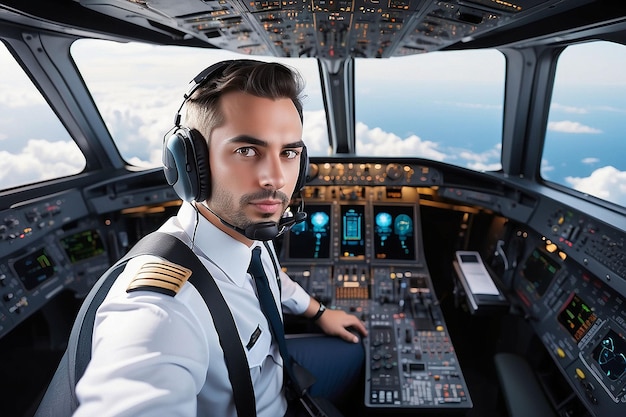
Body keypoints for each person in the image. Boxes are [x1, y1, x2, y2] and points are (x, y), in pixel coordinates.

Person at [73, 59, 367, 417]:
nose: (275, 178)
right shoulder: (160, 312)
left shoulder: (248, 227)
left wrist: (319, 312)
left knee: (358, 350)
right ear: (191, 166)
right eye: (247, 151)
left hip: (280, 378)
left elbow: (274, 280)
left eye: (288, 153)